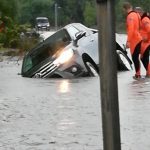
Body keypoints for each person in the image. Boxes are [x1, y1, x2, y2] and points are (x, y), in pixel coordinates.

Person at [123, 2, 142, 79]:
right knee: (137, 58)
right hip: (139, 37)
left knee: (135, 58)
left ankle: (138, 75)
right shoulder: (137, 14)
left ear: (125, 8)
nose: (123, 11)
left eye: (123, 9)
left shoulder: (130, 16)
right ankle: (138, 74)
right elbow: (140, 25)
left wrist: (128, 41)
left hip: (134, 40)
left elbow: (130, 29)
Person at [135, 7, 150, 78]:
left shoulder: (145, 19)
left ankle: (149, 73)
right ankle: (148, 73)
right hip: (144, 42)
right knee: (143, 58)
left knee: (144, 58)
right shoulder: (141, 19)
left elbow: (149, 29)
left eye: (136, 13)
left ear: (140, 12)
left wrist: (147, 38)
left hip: (147, 42)